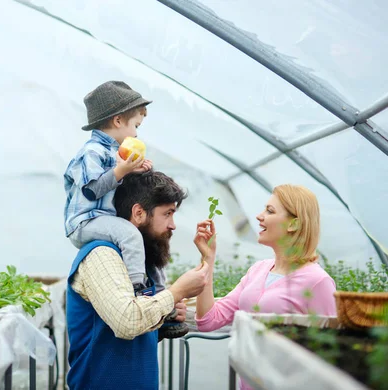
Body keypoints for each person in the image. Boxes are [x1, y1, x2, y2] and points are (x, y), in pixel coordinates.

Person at [64, 80, 188, 339]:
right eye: (135, 126)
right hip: (86, 221)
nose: (136, 134)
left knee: (145, 248)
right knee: (131, 236)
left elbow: (121, 186)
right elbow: (92, 189)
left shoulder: (115, 151)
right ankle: (137, 290)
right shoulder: (92, 151)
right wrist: (122, 169)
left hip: (104, 219)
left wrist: (135, 170)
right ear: (118, 120)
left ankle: (162, 306)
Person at [66, 171, 210, 390]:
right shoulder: (102, 255)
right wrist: (176, 293)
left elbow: (134, 335)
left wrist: (166, 315)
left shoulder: (140, 264)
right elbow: (127, 322)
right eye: (167, 213)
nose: (173, 225)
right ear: (139, 212)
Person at [194, 184, 337, 389]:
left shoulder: (318, 282)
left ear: (294, 224)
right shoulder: (258, 270)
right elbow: (208, 320)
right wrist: (208, 258)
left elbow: (329, 356)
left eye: (270, 211)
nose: (259, 216)